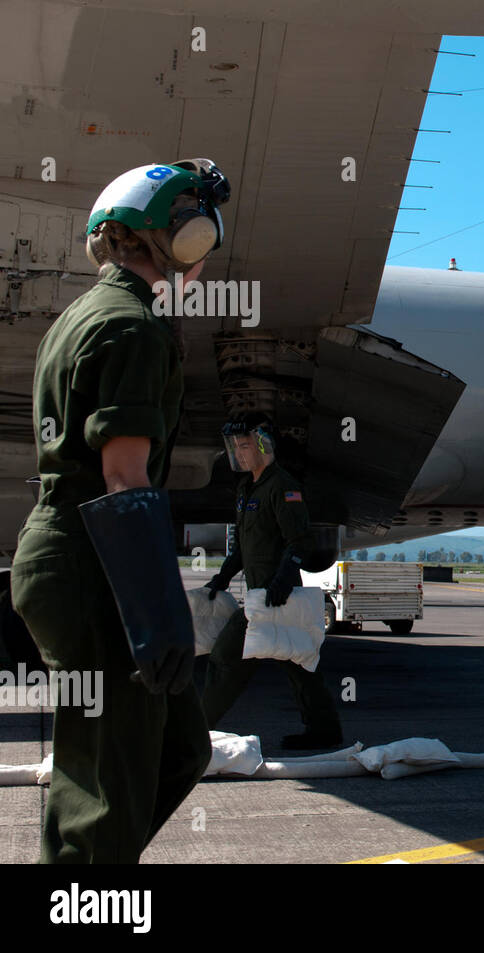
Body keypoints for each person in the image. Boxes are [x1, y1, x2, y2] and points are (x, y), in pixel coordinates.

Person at [10, 160, 230, 862]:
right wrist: (156, 611)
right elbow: (122, 472)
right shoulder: (134, 326)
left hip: (66, 551)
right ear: (180, 238)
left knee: (174, 747)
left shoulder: (79, 316)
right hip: (98, 561)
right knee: (105, 787)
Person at [201, 413, 343, 750]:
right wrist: (222, 577)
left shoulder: (283, 487)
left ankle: (194, 732)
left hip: (276, 596)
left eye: (245, 445)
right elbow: (243, 546)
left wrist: (281, 580)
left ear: (264, 445)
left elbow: (300, 540)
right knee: (300, 666)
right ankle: (324, 730)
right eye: (236, 446)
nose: (239, 452)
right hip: (260, 595)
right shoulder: (246, 488)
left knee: (225, 659)